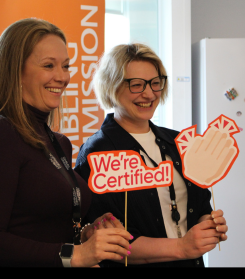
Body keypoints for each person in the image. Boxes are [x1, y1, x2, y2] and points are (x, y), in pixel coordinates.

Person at [0, 18, 132, 267]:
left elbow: (46, 232)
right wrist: (76, 255)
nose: (62, 77)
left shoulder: (59, 143)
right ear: (16, 71)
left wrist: (87, 234)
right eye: (48, 65)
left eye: (66, 66)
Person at [74, 43, 228, 267]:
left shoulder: (179, 143)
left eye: (155, 83)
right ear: (111, 87)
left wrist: (208, 226)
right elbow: (112, 242)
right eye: (136, 85)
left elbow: (201, 208)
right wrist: (183, 247)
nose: (149, 93)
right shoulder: (98, 153)